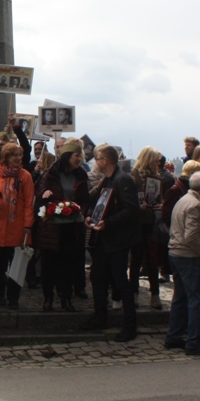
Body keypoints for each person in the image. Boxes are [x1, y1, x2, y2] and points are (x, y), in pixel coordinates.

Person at [84, 143, 141, 341]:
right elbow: (100, 204)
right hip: (104, 239)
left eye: (97, 159)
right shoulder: (107, 179)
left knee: (120, 282)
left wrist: (107, 223)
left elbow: (131, 210)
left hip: (118, 240)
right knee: (97, 278)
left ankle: (130, 325)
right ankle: (100, 316)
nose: (96, 162)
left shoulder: (122, 179)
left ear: (105, 160)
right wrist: (92, 217)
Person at [165, 172, 200, 355]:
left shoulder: (184, 199)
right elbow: (191, 235)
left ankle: (174, 336)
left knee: (180, 297)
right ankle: (195, 342)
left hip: (176, 253)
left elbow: (192, 227)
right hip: (188, 256)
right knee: (197, 300)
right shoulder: (195, 204)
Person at [36, 138, 90, 310]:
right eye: (76, 155)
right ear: (67, 156)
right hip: (52, 227)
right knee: (49, 265)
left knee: (68, 265)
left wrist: (80, 211)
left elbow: (85, 199)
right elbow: (40, 193)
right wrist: (45, 193)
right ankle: (48, 298)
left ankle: (66, 298)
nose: (79, 159)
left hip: (71, 228)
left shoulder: (81, 175)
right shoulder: (51, 173)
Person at [0, 142, 34, 309]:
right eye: (14, 155)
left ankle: (13, 297)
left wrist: (27, 225)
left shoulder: (25, 176)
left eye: (20, 155)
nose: (18, 158)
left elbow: (28, 203)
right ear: (6, 157)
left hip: (17, 226)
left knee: (16, 264)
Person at [130, 146, 164, 310]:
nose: (158, 163)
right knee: (136, 259)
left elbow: (159, 197)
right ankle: (134, 293)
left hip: (151, 223)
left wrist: (160, 204)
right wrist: (139, 204)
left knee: (152, 260)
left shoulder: (156, 177)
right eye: (156, 160)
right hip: (137, 223)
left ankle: (155, 294)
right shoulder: (135, 174)